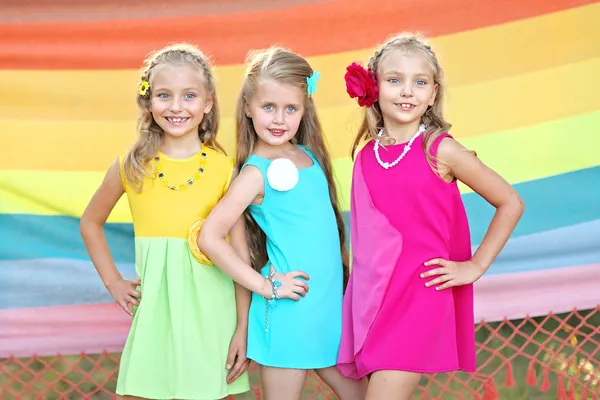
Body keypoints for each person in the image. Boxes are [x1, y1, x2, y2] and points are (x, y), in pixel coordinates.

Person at [337, 33, 525, 400]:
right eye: (395, 80)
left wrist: (474, 265)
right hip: (374, 300)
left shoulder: (441, 151)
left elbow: (511, 202)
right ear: (374, 87)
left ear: (433, 93)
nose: (407, 91)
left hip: (420, 298)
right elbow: (368, 241)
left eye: (419, 82)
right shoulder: (366, 158)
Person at [80, 43, 250, 400]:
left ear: (208, 104)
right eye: (164, 95)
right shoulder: (131, 165)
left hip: (212, 315)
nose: (176, 107)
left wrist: (243, 327)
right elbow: (90, 223)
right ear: (149, 101)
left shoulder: (225, 169)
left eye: (189, 96)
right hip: (155, 313)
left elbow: (239, 253)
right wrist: (113, 283)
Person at [199, 47, 367, 400]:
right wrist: (264, 286)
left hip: (328, 309)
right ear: (248, 107)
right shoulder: (253, 173)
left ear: (305, 109)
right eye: (268, 107)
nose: (279, 119)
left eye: (290, 108)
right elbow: (210, 238)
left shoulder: (307, 155)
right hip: (289, 309)